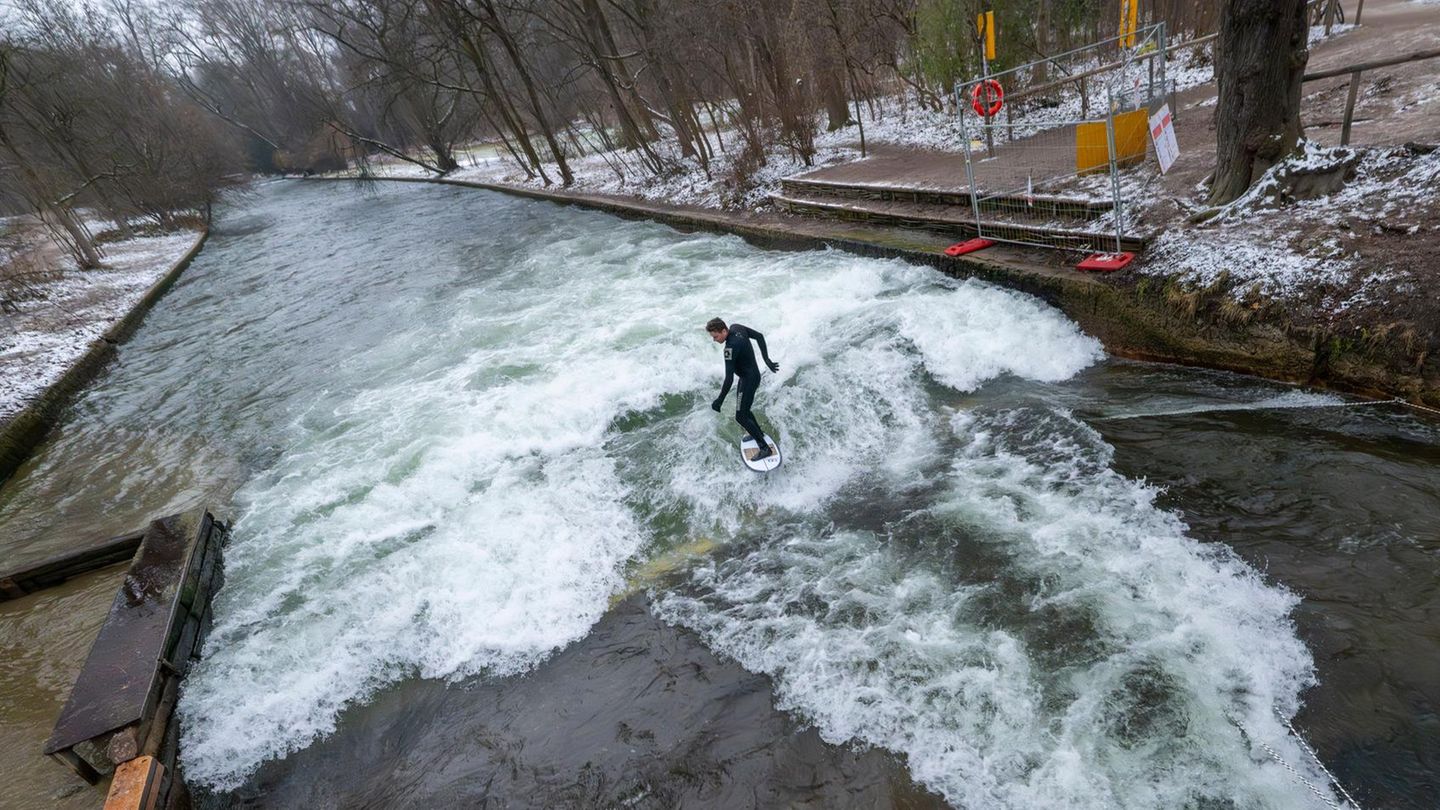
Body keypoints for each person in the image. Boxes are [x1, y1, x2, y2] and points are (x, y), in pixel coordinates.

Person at [706, 317, 780, 460]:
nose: (714, 340)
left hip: (748, 380)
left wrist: (719, 400)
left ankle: (765, 448)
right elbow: (759, 336)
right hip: (751, 376)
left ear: (723, 331)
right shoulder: (737, 327)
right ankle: (758, 433)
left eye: (715, 336)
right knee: (744, 410)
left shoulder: (729, 348)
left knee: (740, 416)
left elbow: (729, 379)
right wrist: (766, 359)